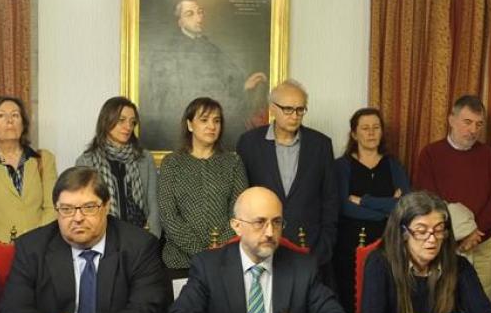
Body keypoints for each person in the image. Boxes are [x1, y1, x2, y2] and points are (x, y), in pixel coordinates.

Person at [0, 166, 170, 313]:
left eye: (89, 208)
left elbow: (147, 310)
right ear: (56, 210)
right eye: (67, 209)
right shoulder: (32, 247)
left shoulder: (139, 245)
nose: (78, 218)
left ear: (106, 206)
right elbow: (13, 308)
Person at [165, 187, 351, 313]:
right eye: (260, 222)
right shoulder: (208, 265)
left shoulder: (303, 266)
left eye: (277, 222)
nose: (270, 232)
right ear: (237, 226)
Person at [361, 191, 491, 313]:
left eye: (438, 230)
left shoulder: (459, 265)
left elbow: (483, 311)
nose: (432, 239)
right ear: (403, 233)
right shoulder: (380, 262)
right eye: (421, 231)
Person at [237, 80, 339, 283]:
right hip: (261, 247)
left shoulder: (320, 145)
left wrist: (322, 249)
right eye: (288, 109)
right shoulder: (249, 143)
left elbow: (330, 200)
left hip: (310, 249)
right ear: (273, 108)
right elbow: (241, 196)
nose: (295, 115)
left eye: (300, 110)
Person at [139, 0, 269, 150]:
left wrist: (244, 85)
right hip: (182, 125)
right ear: (179, 22)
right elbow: (164, 98)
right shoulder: (167, 52)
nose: (198, 17)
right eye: (190, 14)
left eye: (200, 12)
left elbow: (229, 75)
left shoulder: (209, 47)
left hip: (213, 121)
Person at [415, 95, 491, 298]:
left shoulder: (488, 155)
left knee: (482, 302)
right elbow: (428, 201)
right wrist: (459, 234)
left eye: (479, 124)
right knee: (443, 302)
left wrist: (476, 233)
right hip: (443, 243)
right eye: (467, 122)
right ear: (451, 120)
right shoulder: (431, 154)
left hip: (482, 242)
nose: (473, 130)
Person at [333, 108, 411, 313]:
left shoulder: (394, 165)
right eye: (365, 128)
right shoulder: (341, 166)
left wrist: (364, 201)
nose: (371, 133)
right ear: (354, 134)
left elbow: (405, 206)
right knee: (351, 301)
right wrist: (388, 208)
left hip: (388, 244)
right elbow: (344, 207)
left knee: (386, 298)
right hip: (348, 246)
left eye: (376, 127)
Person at [157, 97, 248, 272]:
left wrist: (218, 249)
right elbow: (168, 216)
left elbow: (240, 214)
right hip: (180, 262)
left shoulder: (233, 162)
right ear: (190, 125)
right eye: (204, 120)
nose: (212, 126)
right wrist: (201, 252)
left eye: (217, 121)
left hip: (225, 259)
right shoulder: (172, 163)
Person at [0, 96, 57, 242]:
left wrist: (34, 241)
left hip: (42, 247)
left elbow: (53, 208)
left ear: (23, 124)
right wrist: (10, 243)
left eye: (15, 115)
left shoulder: (44, 159)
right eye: (1, 115)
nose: (10, 120)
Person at [76, 97, 160, 237]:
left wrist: (152, 238)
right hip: (102, 238)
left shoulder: (144, 159)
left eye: (132, 122)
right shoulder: (86, 162)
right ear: (107, 120)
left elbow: (154, 204)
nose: (128, 127)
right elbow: (84, 207)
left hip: (140, 238)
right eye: (121, 120)